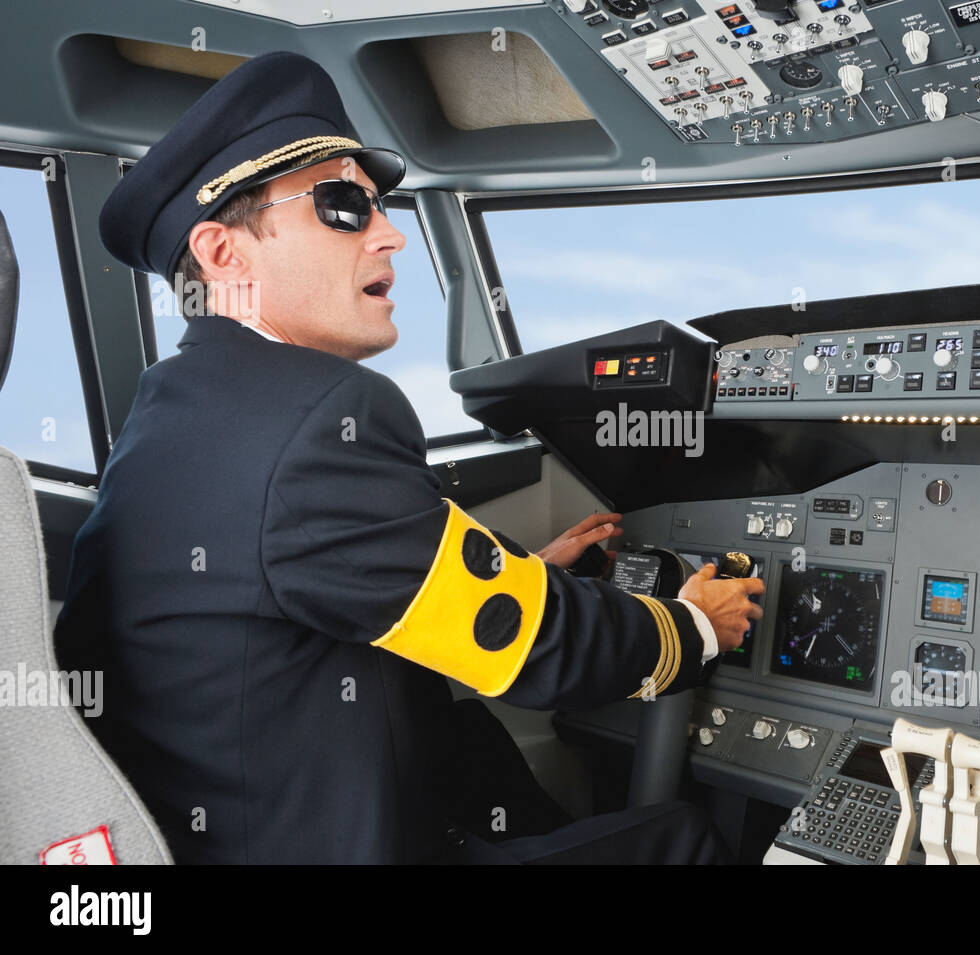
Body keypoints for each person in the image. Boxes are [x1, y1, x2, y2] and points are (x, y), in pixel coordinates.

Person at [54, 51, 763, 864]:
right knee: (680, 839)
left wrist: (527, 566)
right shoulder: (322, 413)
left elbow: (322, 584)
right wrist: (692, 625)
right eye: (343, 205)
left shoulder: (169, 411)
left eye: (378, 204)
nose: (389, 231)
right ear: (223, 254)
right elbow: (533, 643)